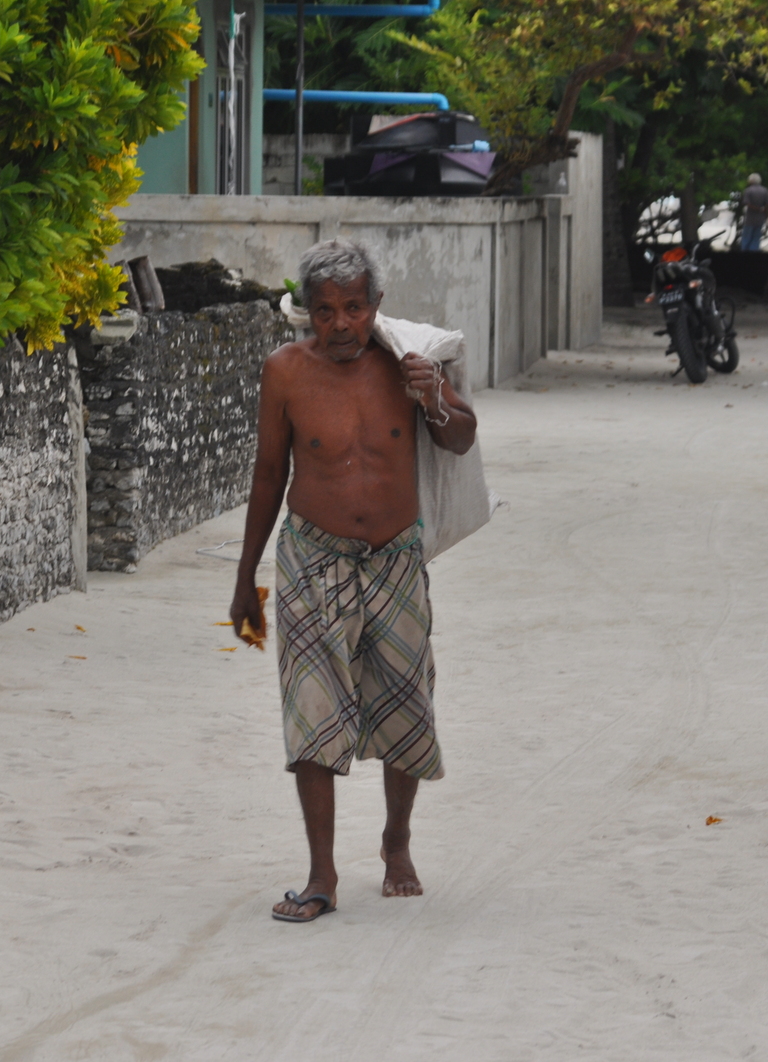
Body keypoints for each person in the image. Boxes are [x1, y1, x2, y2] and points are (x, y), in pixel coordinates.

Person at [230, 240, 479, 924]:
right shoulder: (284, 372)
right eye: (325, 311)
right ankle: (321, 874)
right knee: (311, 708)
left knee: (404, 700)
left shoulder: (409, 365)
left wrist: (435, 400)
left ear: (376, 307)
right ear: (306, 312)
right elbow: (267, 474)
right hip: (312, 559)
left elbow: (461, 437)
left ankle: (396, 843)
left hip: (397, 559)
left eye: (354, 308)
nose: (340, 324)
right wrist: (246, 574)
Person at [741, 173, 768, 251]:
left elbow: (746, 203)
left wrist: (756, 208)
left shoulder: (748, 190)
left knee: (746, 238)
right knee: (756, 239)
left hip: (749, 219)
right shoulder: (765, 190)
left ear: (751, 181)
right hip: (760, 219)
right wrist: (766, 217)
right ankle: (754, 256)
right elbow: (767, 205)